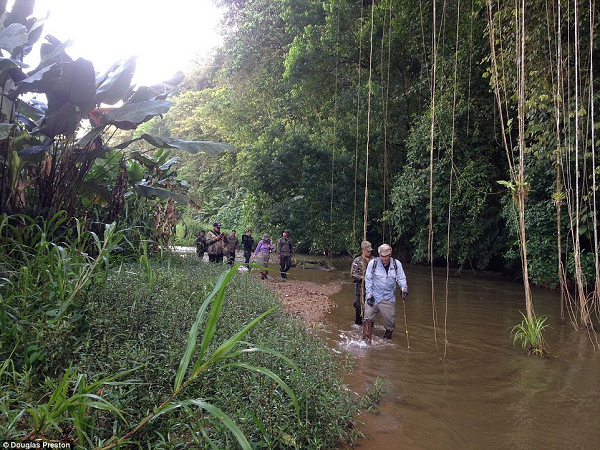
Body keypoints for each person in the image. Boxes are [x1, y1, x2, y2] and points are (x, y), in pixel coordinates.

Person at [363, 243, 408, 344]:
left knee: (390, 324)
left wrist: (404, 289)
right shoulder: (373, 263)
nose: (384, 259)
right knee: (367, 318)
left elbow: (401, 278)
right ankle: (366, 342)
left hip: (388, 298)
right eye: (382, 256)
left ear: (390, 254)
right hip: (374, 296)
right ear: (379, 255)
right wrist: (369, 295)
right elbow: (368, 279)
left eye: (386, 256)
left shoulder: (397, 264)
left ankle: (386, 342)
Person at [350, 240, 374, 325]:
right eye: (367, 251)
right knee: (359, 306)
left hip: (372, 289)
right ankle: (358, 325)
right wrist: (363, 278)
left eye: (370, 251)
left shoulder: (374, 261)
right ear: (363, 250)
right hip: (360, 288)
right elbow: (353, 274)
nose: (369, 252)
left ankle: (370, 326)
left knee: (371, 308)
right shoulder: (357, 261)